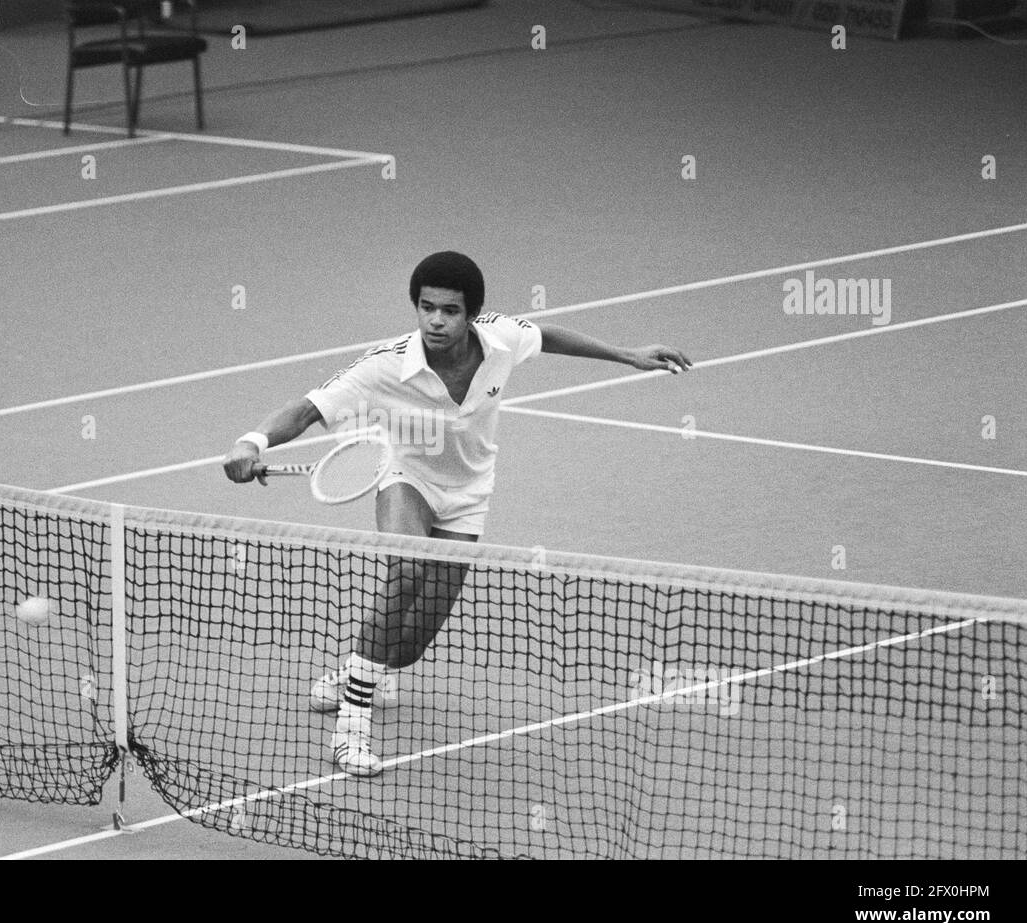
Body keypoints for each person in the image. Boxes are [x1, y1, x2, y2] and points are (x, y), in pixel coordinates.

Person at [223, 251, 691, 776]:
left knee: (409, 647)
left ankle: (358, 670)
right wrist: (252, 440)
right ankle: (350, 728)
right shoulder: (385, 365)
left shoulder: (502, 339)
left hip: (468, 496)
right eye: (426, 308)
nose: (436, 321)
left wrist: (628, 354)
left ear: (471, 315)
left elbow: (550, 336)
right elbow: (308, 409)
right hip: (406, 478)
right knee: (405, 570)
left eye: (449, 310)